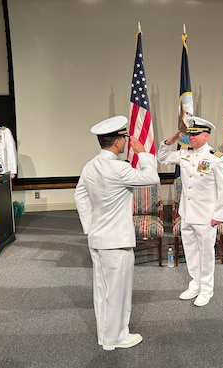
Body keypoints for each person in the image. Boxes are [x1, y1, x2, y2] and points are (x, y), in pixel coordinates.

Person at [74, 115, 159, 351]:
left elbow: (79, 195)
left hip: (98, 239)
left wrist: (90, 226)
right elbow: (152, 178)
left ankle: (105, 335)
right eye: (124, 138)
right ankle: (116, 338)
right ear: (118, 142)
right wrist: (142, 153)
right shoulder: (120, 168)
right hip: (117, 242)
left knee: (102, 291)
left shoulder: (89, 165)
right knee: (118, 293)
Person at [157, 116, 223, 307]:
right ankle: (195, 283)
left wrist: (218, 215)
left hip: (206, 216)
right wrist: (168, 143)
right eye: (190, 134)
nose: (191, 137)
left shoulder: (217, 158)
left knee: (206, 254)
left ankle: (206, 289)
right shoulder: (184, 154)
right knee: (190, 250)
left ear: (205, 136)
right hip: (187, 213)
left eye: (195, 134)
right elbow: (163, 158)